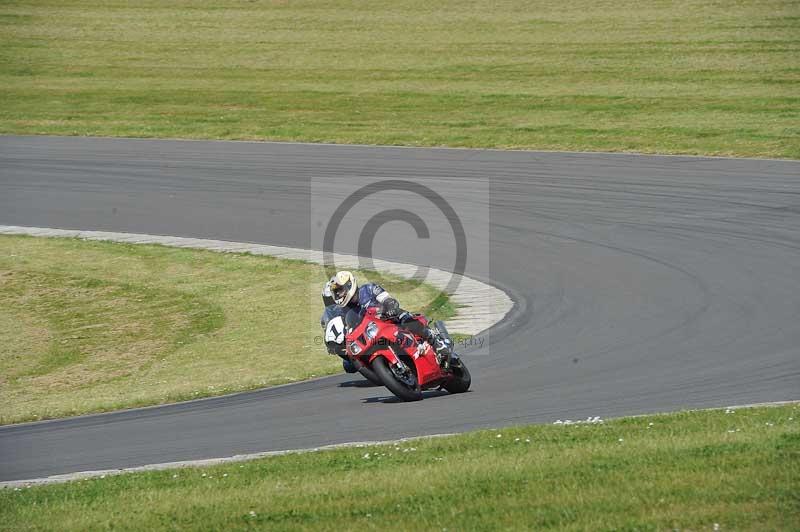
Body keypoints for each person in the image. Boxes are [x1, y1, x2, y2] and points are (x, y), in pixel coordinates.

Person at [327, 270, 454, 366]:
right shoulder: (344, 310)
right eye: (336, 293)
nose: (339, 295)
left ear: (349, 285)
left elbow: (386, 298)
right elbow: (347, 328)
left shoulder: (368, 289)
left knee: (403, 317)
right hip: (372, 333)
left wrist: (390, 305)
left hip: (389, 319)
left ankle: (437, 343)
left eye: (340, 290)